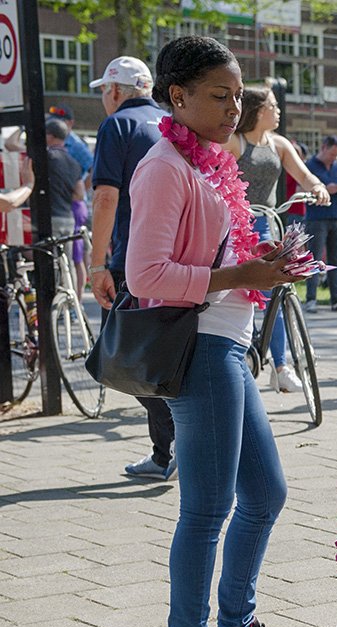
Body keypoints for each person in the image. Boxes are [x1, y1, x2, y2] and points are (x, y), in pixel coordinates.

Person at [125, 35, 309, 627]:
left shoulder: (206, 162)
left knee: (264, 494)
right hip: (198, 348)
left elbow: (210, 254)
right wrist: (243, 270)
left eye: (238, 95)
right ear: (178, 96)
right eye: (218, 95)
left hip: (227, 342)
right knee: (206, 508)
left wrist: (264, 257)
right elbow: (145, 274)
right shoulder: (165, 166)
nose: (235, 107)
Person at [88, 55, 178, 480]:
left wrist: (95, 264)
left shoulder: (116, 126)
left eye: (105, 91)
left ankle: (171, 448)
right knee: (161, 353)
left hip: (131, 259)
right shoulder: (170, 122)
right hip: (175, 257)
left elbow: (105, 198)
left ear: (116, 91)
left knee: (124, 357)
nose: (105, 99)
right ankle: (169, 451)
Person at [222, 85, 331, 393]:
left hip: (268, 224)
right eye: (272, 105)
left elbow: (304, 175)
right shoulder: (235, 141)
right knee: (241, 294)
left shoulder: (278, 144)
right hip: (237, 227)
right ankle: (246, 351)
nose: (278, 110)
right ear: (257, 110)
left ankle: (281, 366)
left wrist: (318, 187)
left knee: (277, 292)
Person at [303, 135, 337, 313]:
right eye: (332, 154)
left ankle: (336, 300)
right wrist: (326, 188)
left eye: (336, 155)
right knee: (315, 259)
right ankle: (310, 299)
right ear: (323, 147)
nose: (333, 158)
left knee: (335, 260)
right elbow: (305, 190)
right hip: (317, 218)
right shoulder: (309, 167)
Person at [44, 119, 87, 297]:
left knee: (49, 262)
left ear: (50, 136)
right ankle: (70, 302)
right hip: (68, 218)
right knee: (67, 263)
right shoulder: (73, 162)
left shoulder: (46, 157)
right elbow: (80, 194)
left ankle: (53, 301)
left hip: (51, 216)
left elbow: (10, 145)